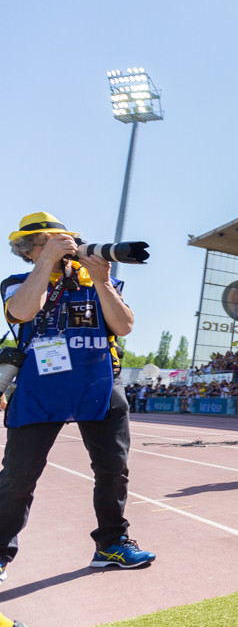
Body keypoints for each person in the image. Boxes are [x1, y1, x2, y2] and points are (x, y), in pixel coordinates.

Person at [0, 212, 155, 579]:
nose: (67, 247)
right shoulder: (18, 281)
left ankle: (112, 545)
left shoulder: (98, 281)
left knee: (113, 470)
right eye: (52, 241)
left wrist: (101, 281)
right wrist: (48, 263)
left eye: (66, 240)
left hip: (99, 385)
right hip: (40, 388)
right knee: (19, 476)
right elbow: (21, 311)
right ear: (29, 251)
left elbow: (124, 326)